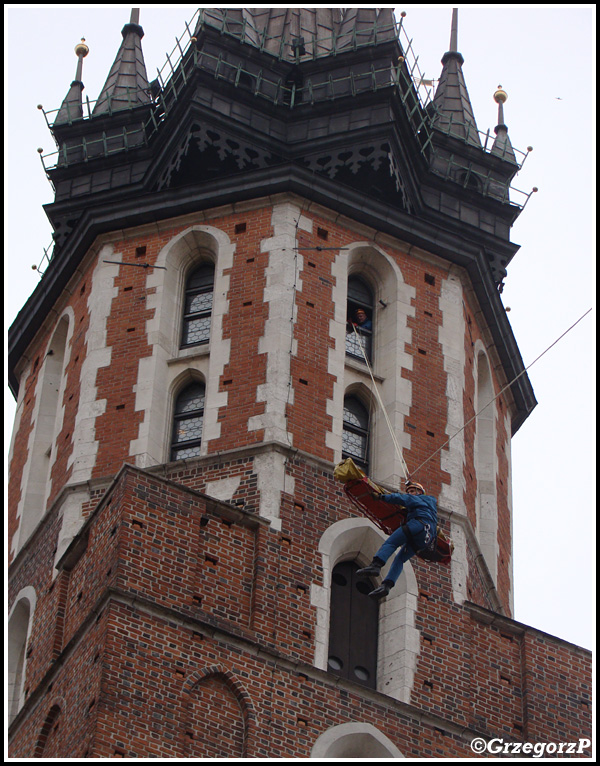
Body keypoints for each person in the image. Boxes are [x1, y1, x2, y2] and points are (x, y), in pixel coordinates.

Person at [356, 481, 437, 599]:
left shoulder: (420, 499)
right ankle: (387, 585)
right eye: (409, 491)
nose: (410, 493)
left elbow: (403, 498)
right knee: (400, 559)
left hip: (417, 525)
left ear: (420, 492)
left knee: (392, 542)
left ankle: (376, 565)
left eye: (412, 491)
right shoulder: (431, 506)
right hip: (426, 538)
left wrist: (382, 497)